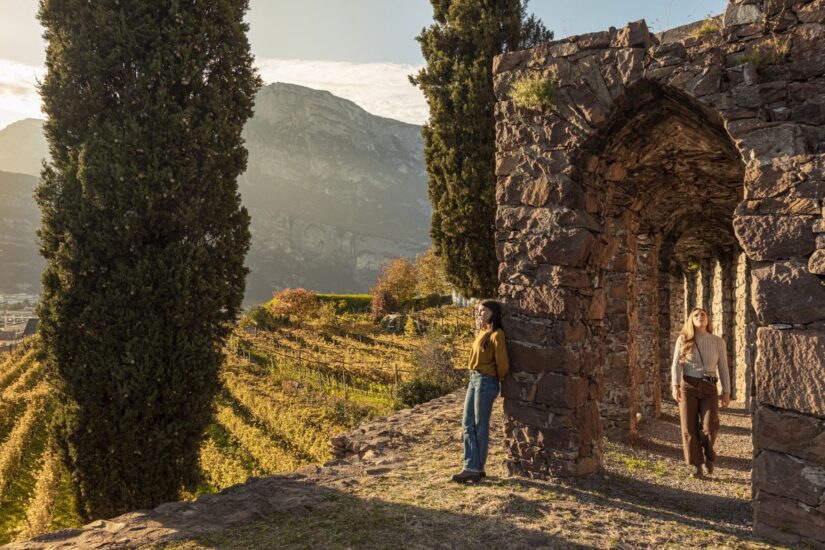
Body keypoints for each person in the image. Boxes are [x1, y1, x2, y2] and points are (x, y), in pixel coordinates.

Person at [451, 300, 509, 483]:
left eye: (484, 310)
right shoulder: (483, 333)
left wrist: (495, 378)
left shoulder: (497, 335)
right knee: (467, 423)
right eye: (478, 310)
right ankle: (471, 465)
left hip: (486, 380)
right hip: (474, 379)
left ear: (494, 312)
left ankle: (475, 468)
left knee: (479, 425)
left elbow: (503, 364)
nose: (480, 313)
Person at [671, 307, 730, 478]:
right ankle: (696, 465)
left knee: (710, 426)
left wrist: (726, 392)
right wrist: (675, 386)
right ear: (691, 320)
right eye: (696, 315)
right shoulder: (684, 339)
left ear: (708, 319)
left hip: (709, 387)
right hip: (688, 385)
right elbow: (676, 364)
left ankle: (709, 455)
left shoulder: (718, 342)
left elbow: (724, 369)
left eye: (703, 315)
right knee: (688, 427)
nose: (700, 317)